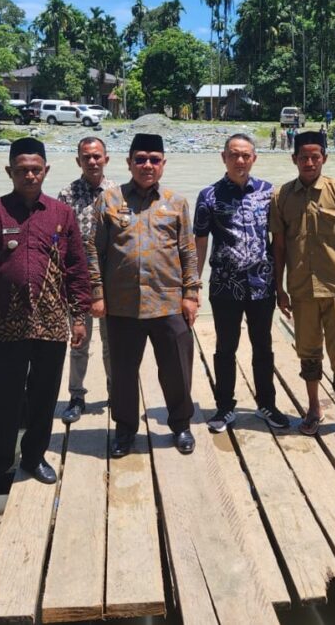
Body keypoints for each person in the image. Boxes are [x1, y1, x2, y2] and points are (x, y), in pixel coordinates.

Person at [0, 137, 90, 496]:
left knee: (45, 396)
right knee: (2, 397)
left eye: (36, 170)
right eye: (22, 170)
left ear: (46, 170)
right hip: (4, 325)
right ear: (9, 172)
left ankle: (33, 458)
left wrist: (78, 316)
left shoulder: (61, 215)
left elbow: (77, 269)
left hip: (50, 324)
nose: (30, 176)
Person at [86, 133, 200, 457]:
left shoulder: (176, 203)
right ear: (129, 163)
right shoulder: (108, 200)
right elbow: (93, 251)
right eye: (140, 159)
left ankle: (180, 425)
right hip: (123, 305)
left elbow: (188, 252)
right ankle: (124, 431)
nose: (147, 165)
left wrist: (190, 294)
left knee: (177, 369)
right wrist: (97, 294)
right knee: (122, 373)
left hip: (169, 304)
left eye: (154, 159)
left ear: (163, 164)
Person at [270, 130, 335, 443]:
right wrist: (278, 287)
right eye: (303, 157)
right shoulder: (282, 196)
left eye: (315, 157)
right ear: (293, 159)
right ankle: (313, 408)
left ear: (324, 157)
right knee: (308, 353)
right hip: (301, 290)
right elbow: (279, 247)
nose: (309, 162)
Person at [194, 134, 290, 433]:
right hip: (224, 286)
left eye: (245, 155)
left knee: (263, 346)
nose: (240, 160)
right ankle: (224, 407)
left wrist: (281, 283)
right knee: (225, 348)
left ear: (254, 158)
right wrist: (193, 283)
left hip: (263, 285)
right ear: (224, 157)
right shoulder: (208, 196)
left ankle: (267, 404)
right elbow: (199, 242)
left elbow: (279, 242)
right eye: (234, 155)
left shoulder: (269, 193)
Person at [56, 137, 115, 424]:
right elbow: (59, 242)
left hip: (114, 282)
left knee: (112, 343)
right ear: (78, 161)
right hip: (77, 283)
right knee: (79, 342)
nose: (92, 161)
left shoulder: (118, 192)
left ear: (107, 159)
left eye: (97, 156)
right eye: (86, 157)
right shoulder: (66, 195)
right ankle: (77, 396)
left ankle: (116, 393)